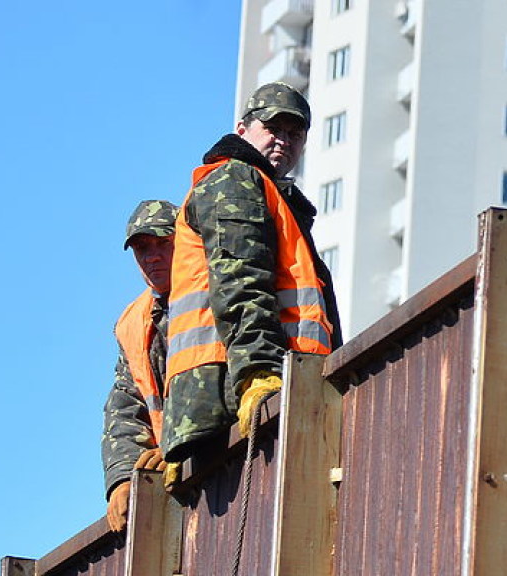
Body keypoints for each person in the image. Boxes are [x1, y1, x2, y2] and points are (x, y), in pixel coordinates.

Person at [161, 82, 342, 464]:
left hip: (223, 398)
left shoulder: (269, 193)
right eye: (273, 128)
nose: (284, 141)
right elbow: (241, 283)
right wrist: (258, 372)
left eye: (295, 133)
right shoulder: (237, 180)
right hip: (237, 391)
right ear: (242, 131)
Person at [102, 199, 178, 532]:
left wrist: (181, 445)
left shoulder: (215, 293)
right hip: (173, 476)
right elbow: (124, 407)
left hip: (220, 455)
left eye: (164, 243)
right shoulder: (134, 322)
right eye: (142, 248)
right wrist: (121, 478)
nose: (153, 256)